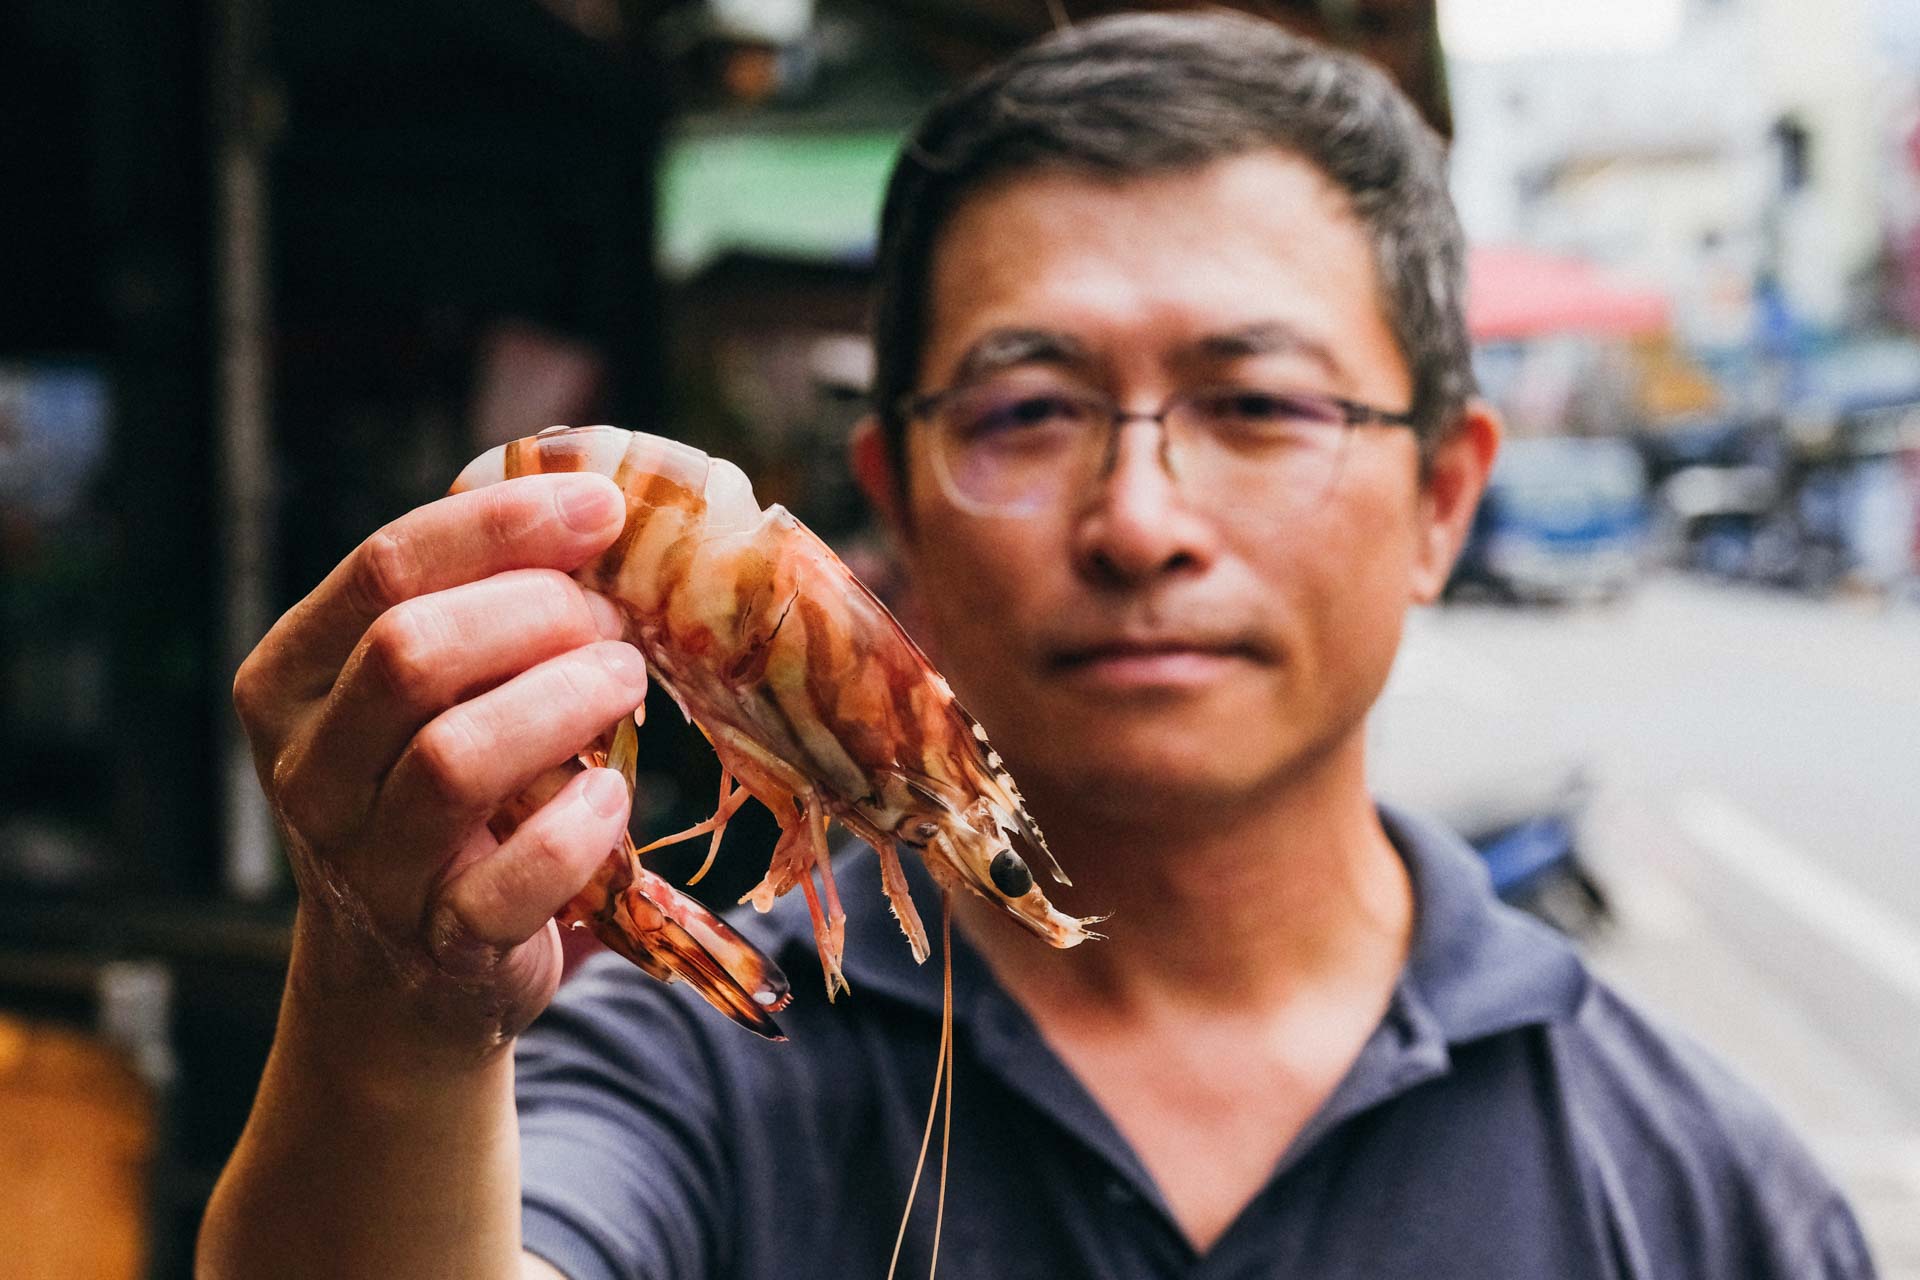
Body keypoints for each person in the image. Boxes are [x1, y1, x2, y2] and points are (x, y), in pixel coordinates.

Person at [199, 12, 1877, 1279]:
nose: (1138, 518)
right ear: (895, 506)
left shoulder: (1708, 1195)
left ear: (1442, 499)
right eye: (1026, 412)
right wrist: (397, 1016)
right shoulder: (683, 1067)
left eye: (1258, 405)